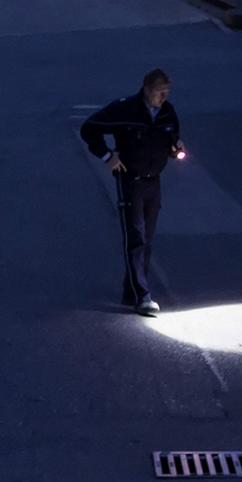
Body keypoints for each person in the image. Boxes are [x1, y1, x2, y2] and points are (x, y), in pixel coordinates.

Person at [81, 69, 185, 315]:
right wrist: (107, 156)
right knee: (136, 239)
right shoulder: (124, 109)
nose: (163, 97)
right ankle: (143, 296)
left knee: (146, 239)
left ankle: (131, 290)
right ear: (147, 89)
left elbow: (173, 138)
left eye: (167, 92)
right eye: (160, 93)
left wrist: (175, 148)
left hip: (153, 181)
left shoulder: (167, 112)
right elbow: (89, 129)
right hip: (130, 180)